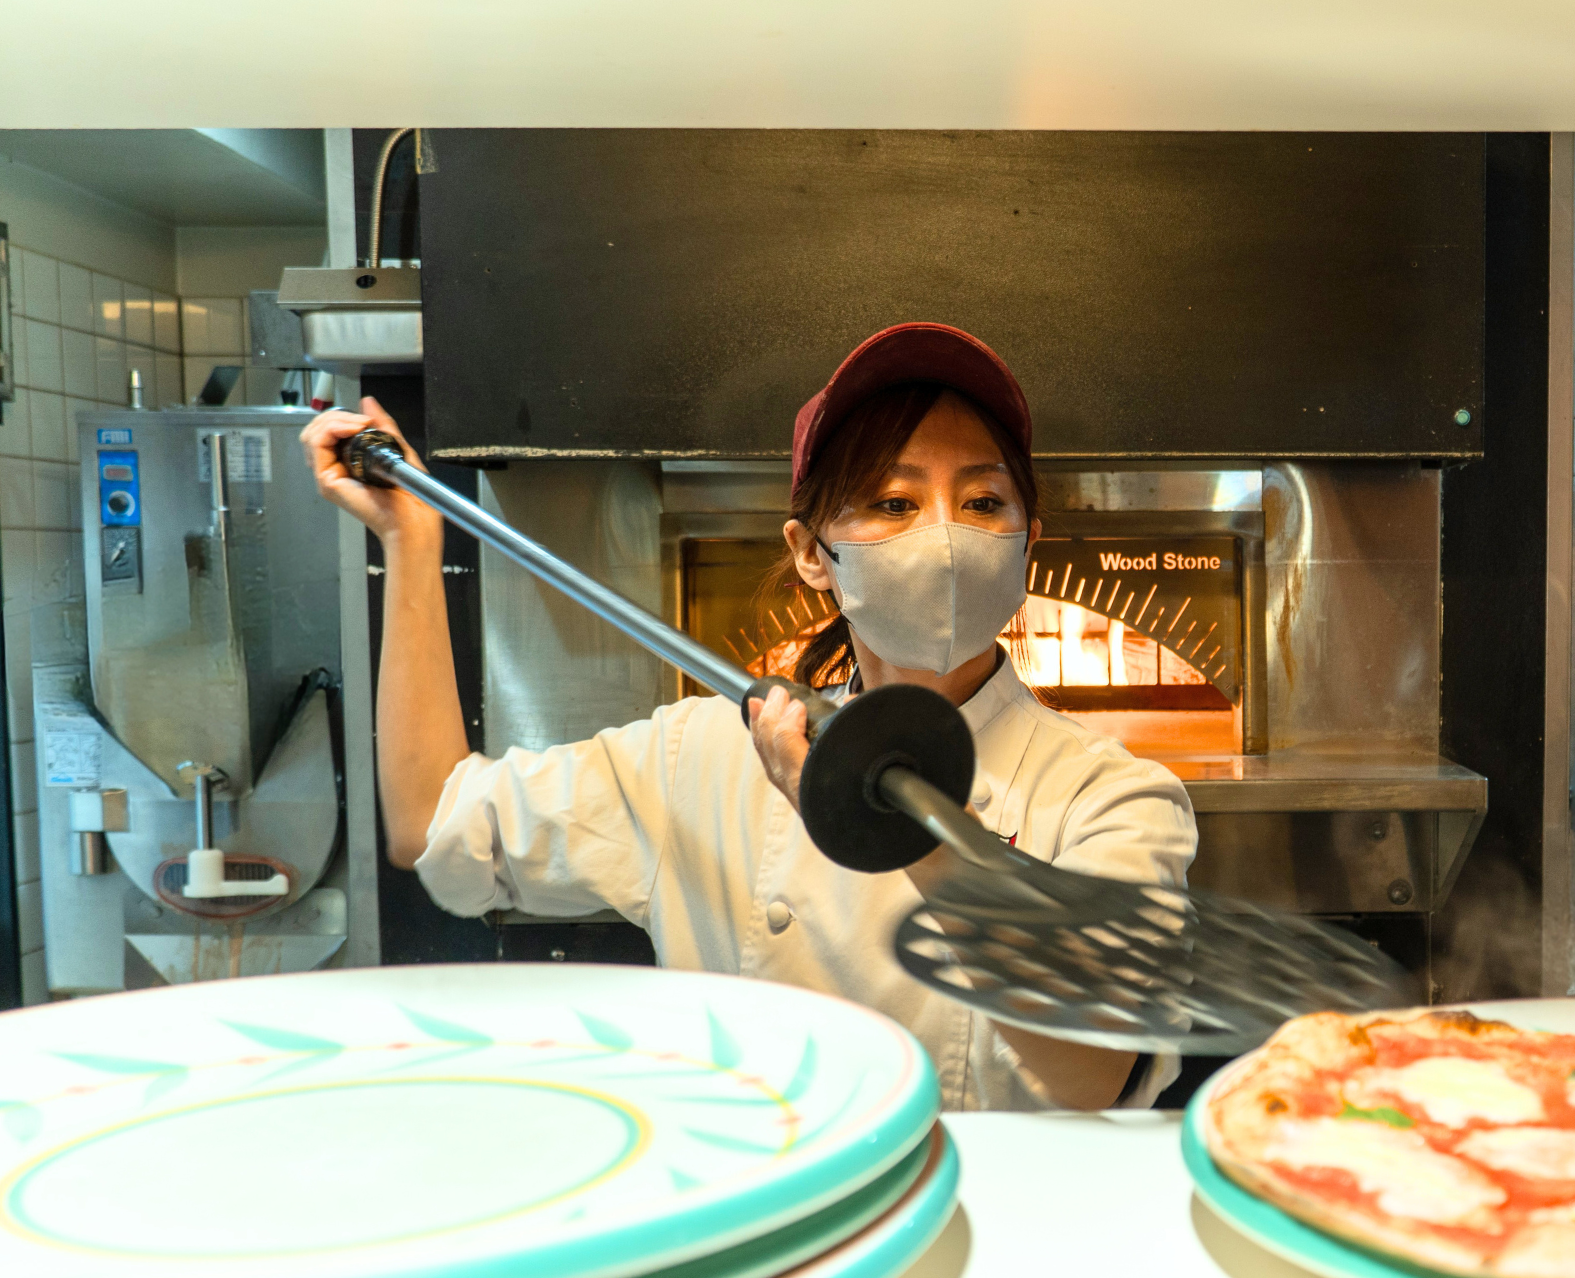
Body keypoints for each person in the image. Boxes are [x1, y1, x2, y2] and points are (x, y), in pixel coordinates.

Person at [301, 322, 1197, 1110]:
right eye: (893, 501)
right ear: (814, 554)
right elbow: (432, 822)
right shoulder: (702, 758)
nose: (947, 535)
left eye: (983, 502)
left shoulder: (1113, 795)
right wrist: (409, 546)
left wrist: (899, 827)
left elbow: (1093, 1072)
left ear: (1026, 543)